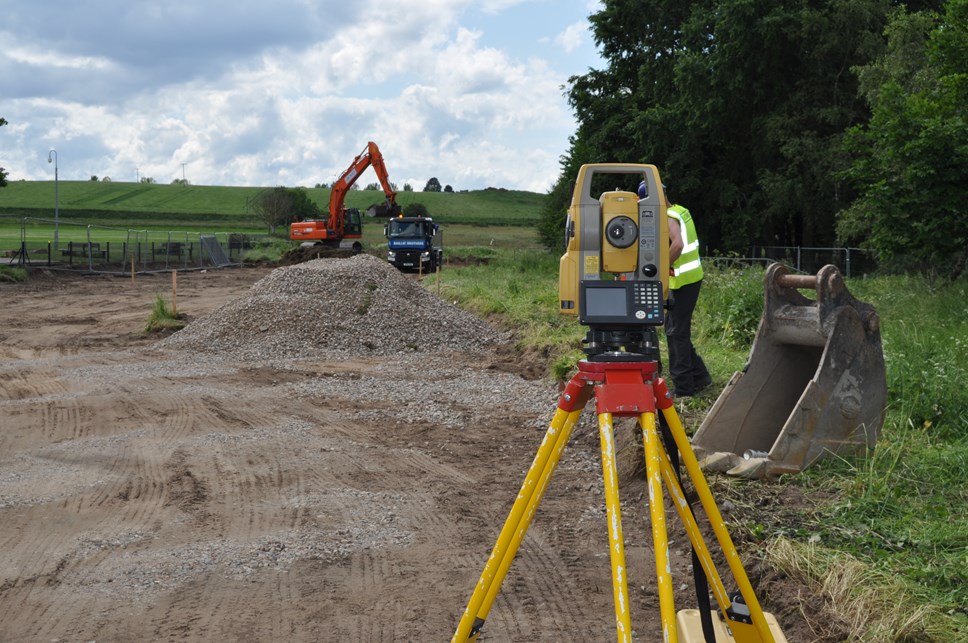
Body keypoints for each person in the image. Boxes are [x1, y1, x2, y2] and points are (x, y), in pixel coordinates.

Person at [638, 181, 712, 397]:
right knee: (674, 328)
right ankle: (700, 376)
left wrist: (661, 269)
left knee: (676, 333)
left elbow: (678, 244)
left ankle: (684, 388)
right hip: (689, 279)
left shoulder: (668, 216)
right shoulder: (680, 210)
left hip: (684, 281)